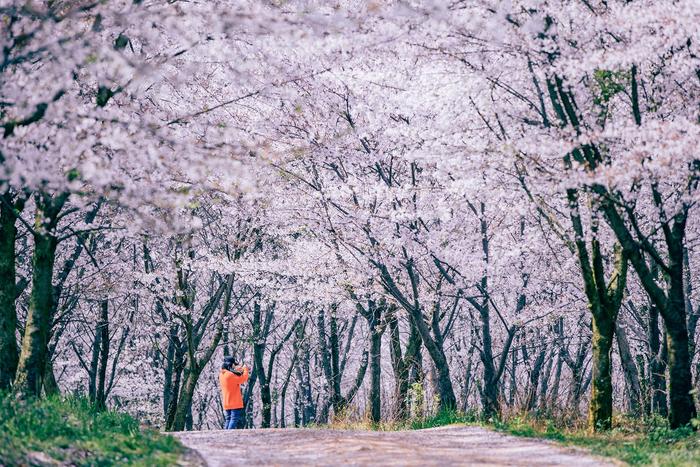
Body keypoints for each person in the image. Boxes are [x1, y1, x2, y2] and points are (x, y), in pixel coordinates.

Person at [219, 356, 249, 429]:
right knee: (234, 419)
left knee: (228, 419)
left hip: (227, 401)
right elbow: (243, 379)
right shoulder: (229, 375)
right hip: (234, 402)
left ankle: (225, 435)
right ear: (231, 364)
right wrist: (245, 369)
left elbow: (235, 375)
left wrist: (238, 369)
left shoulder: (222, 374)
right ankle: (229, 434)